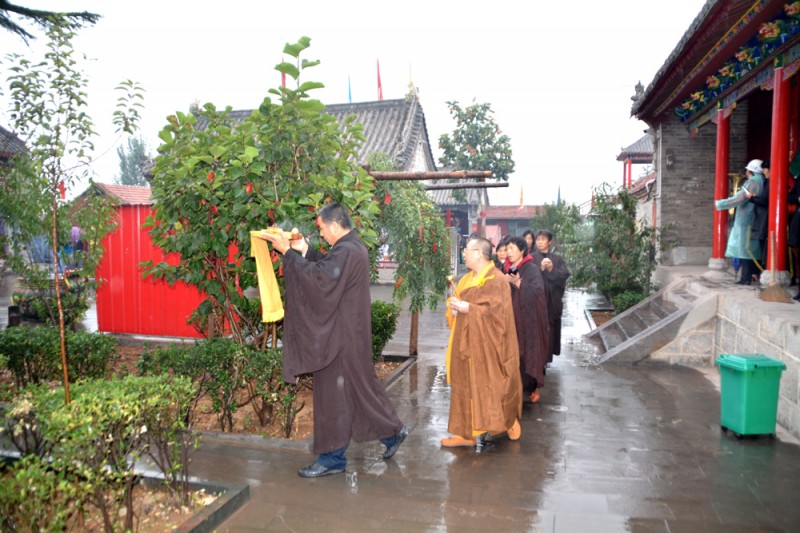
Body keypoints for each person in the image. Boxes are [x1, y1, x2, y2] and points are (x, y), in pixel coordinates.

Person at [259, 202, 408, 478]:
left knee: (333, 397)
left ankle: (331, 459)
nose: (322, 235)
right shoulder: (352, 248)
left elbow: (321, 280)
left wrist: (288, 256)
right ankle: (392, 433)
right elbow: (329, 269)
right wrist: (304, 251)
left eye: (322, 229)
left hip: (339, 339)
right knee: (360, 390)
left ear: (335, 225)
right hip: (350, 335)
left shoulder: (347, 251)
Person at [441, 237, 522, 447]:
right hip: (465, 343)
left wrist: (470, 309)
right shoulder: (467, 279)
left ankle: (508, 421)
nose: (464, 253)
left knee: (491, 387)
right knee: (464, 387)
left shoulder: (496, 280)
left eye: (467, 250)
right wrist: (454, 306)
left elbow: (499, 316)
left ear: (479, 253)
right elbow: (459, 307)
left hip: (488, 346)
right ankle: (466, 434)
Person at [504, 236, 549, 404]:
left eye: (512, 249)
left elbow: (537, 293)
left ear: (522, 250)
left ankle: (533, 387)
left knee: (529, 353)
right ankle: (515, 387)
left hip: (528, 321)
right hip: (512, 319)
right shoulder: (509, 268)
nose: (508, 252)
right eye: (507, 249)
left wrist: (519, 284)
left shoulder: (531, 269)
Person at [715, 159, 764, 285]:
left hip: (747, 219)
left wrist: (721, 203)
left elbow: (740, 198)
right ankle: (753, 275)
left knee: (745, 249)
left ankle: (746, 278)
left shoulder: (752, 181)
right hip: (755, 218)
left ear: (750, 170)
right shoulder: (762, 181)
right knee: (751, 248)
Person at [531, 229, 571, 363]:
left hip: (552, 303)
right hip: (536, 301)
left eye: (543, 239)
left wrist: (551, 269)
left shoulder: (557, 259)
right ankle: (537, 358)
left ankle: (546, 358)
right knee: (536, 330)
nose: (540, 242)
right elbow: (528, 277)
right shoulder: (531, 258)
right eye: (538, 239)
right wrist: (540, 269)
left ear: (549, 242)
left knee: (549, 330)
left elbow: (564, 275)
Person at [747, 159, 770, 283]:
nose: (764, 172)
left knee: (763, 248)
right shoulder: (766, 182)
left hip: (765, 219)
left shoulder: (769, 183)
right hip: (762, 218)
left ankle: (760, 272)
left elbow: (765, 201)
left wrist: (752, 198)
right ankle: (759, 272)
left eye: (766, 169)